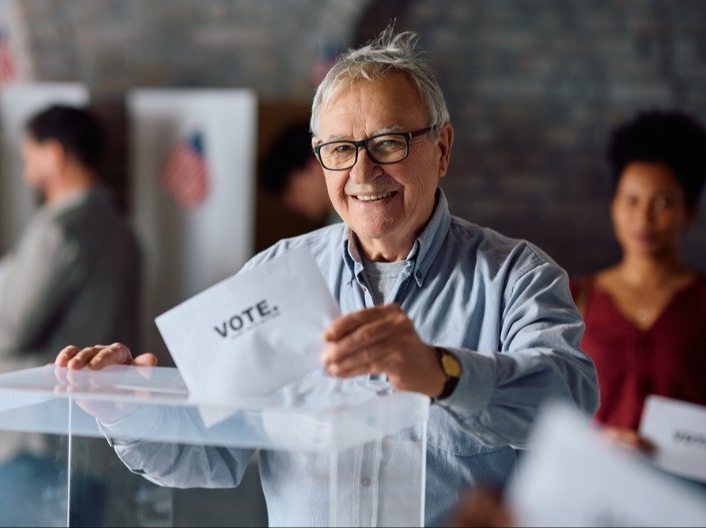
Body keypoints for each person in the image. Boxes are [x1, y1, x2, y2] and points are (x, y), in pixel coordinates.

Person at [55, 27, 599, 525]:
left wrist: (441, 372)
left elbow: (568, 404)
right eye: (340, 150)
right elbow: (211, 451)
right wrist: (124, 411)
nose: (363, 172)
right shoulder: (274, 277)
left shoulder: (517, 277)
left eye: (389, 143)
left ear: (443, 148)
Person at [0, 104, 142, 526]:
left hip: (32, 440)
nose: (24, 171)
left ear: (54, 155)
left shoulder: (58, 230)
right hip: (93, 439)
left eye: (28, 156)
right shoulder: (123, 233)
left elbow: (12, 330)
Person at [570, 110, 706, 452]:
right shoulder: (572, 299)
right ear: (614, 205)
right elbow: (540, 410)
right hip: (594, 478)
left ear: (690, 211)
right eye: (631, 200)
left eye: (662, 202)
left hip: (688, 483)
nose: (643, 218)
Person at [260, 121, 341, 225]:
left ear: (315, 165)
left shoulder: (353, 217)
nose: (290, 203)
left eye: (290, 189)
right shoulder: (337, 225)